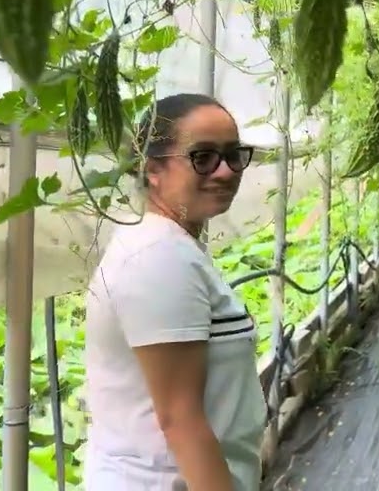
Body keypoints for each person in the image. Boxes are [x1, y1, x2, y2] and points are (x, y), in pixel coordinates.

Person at [82, 92, 266, 491]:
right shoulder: (157, 257)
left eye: (234, 155)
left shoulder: (173, 246)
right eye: (203, 157)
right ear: (152, 169)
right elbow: (180, 421)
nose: (225, 171)